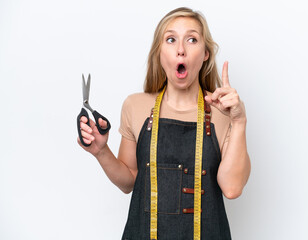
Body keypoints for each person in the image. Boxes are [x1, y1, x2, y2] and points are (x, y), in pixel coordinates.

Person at [77, 7, 251, 240]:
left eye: (191, 40)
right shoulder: (135, 106)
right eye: (171, 40)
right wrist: (101, 151)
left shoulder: (224, 112)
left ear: (205, 53)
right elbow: (129, 181)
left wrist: (239, 121)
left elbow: (232, 188)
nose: (181, 50)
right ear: (160, 53)